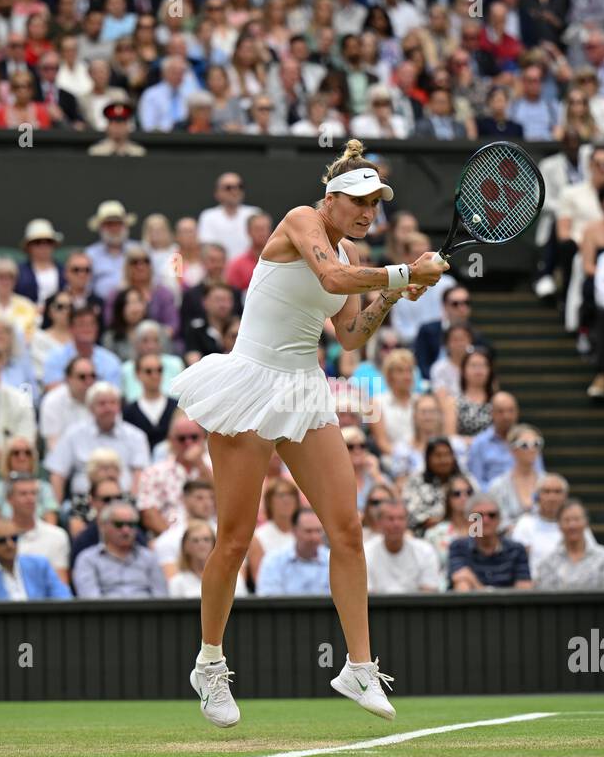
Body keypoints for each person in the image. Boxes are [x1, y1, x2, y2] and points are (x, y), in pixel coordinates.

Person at [167, 140, 445, 726]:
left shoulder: (350, 253)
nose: (370, 213)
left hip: (302, 389)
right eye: (360, 202)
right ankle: (210, 665)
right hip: (250, 381)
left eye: (377, 204)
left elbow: (349, 336)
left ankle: (360, 667)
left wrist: (394, 293)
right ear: (331, 199)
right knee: (235, 540)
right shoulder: (300, 221)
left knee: (346, 528)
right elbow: (332, 274)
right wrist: (401, 271)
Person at [0, 474, 70, 583]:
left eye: (34, 493)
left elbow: (61, 584)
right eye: (23, 494)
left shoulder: (57, 536)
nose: (30, 499)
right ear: (9, 499)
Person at [0, 519, 71, 601]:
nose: (10, 545)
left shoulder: (40, 566)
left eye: (14, 538)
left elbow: (64, 598)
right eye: (2, 540)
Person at [447, 493, 532, 591]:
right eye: (478, 516)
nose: (485, 520)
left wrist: (479, 587)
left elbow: (524, 590)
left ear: (499, 519)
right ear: (469, 520)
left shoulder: (516, 549)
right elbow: (461, 582)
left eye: (492, 515)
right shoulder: (458, 547)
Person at [533, 499, 604, 590]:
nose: (572, 525)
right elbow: (545, 596)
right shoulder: (548, 561)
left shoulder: (603, 556)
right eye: (566, 520)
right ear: (559, 524)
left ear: (586, 522)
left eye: (577, 519)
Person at [364, 499, 440, 594]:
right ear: (379, 522)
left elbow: (429, 592)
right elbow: (366, 595)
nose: (396, 524)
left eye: (401, 518)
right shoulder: (366, 553)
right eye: (390, 519)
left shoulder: (425, 551)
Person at [255, 507, 332, 596]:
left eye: (318, 531)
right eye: (308, 531)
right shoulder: (273, 561)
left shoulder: (332, 560)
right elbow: (268, 600)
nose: (314, 537)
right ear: (294, 531)